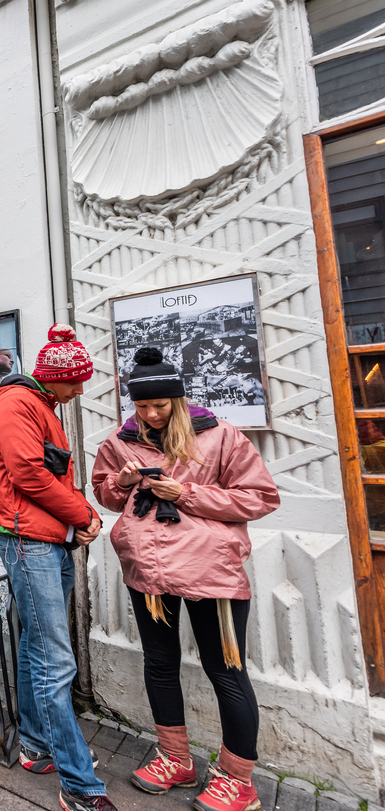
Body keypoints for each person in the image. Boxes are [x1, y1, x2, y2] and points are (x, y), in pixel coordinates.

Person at [91, 347, 278, 811]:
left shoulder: (221, 437)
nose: (151, 415)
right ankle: (176, 758)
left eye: (160, 406)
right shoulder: (121, 441)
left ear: (178, 399)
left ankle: (238, 780)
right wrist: (123, 481)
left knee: (226, 672)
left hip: (209, 572)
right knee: (158, 663)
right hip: (147, 571)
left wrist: (186, 493)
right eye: (141, 406)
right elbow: (104, 494)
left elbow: (260, 497)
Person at [0, 324, 113, 811]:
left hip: (44, 539)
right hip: (27, 542)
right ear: (52, 378)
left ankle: (37, 745)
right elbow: (30, 474)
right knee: (57, 661)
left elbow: (51, 473)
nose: (80, 390)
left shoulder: (42, 405)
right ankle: (80, 786)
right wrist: (83, 516)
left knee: (38, 648)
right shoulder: (18, 404)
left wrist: (72, 525)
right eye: (75, 382)